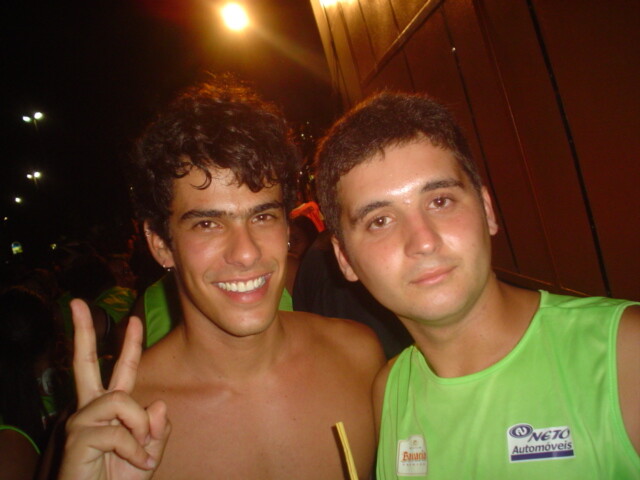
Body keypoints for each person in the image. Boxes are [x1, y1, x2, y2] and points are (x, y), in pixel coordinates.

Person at [58, 76, 385, 479]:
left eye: (262, 216)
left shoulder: (360, 359)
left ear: (286, 227)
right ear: (160, 244)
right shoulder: (119, 423)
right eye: (208, 224)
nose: (245, 252)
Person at [315, 91, 640, 479]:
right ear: (345, 260)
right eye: (379, 221)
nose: (423, 242)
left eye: (440, 201)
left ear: (487, 210)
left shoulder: (624, 355)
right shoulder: (390, 392)